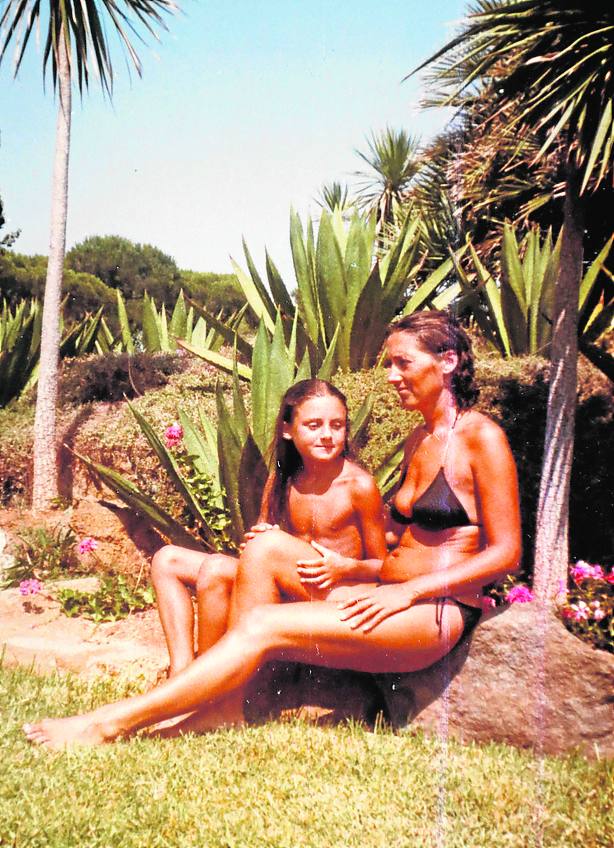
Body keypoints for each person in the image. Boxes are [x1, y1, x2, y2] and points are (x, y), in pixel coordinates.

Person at [24, 311, 522, 748]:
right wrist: (358, 568)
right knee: (262, 548)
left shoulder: (482, 439)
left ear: (449, 362)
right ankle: (229, 699)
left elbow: (507, 554)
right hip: (388, 593)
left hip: (432, 613)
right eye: (389, 364)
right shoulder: (420, 438)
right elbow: (399, 536)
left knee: (262, 626)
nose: (391, 376)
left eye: (402, 363)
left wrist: (406, 590)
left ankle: (110, 725)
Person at [150, 379, 386, 676]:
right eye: (314, 425)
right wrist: (257, 537)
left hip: (334, 590)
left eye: (336, 425)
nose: (327, 435)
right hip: (284, 582)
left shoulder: (358, 486)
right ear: (288, 429)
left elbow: (383, 566)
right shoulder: (283, 479)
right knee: (168, 559)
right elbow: (259, 552)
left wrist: (346, 568)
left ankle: (213, 681)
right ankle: (184, 672)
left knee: (220, 567)